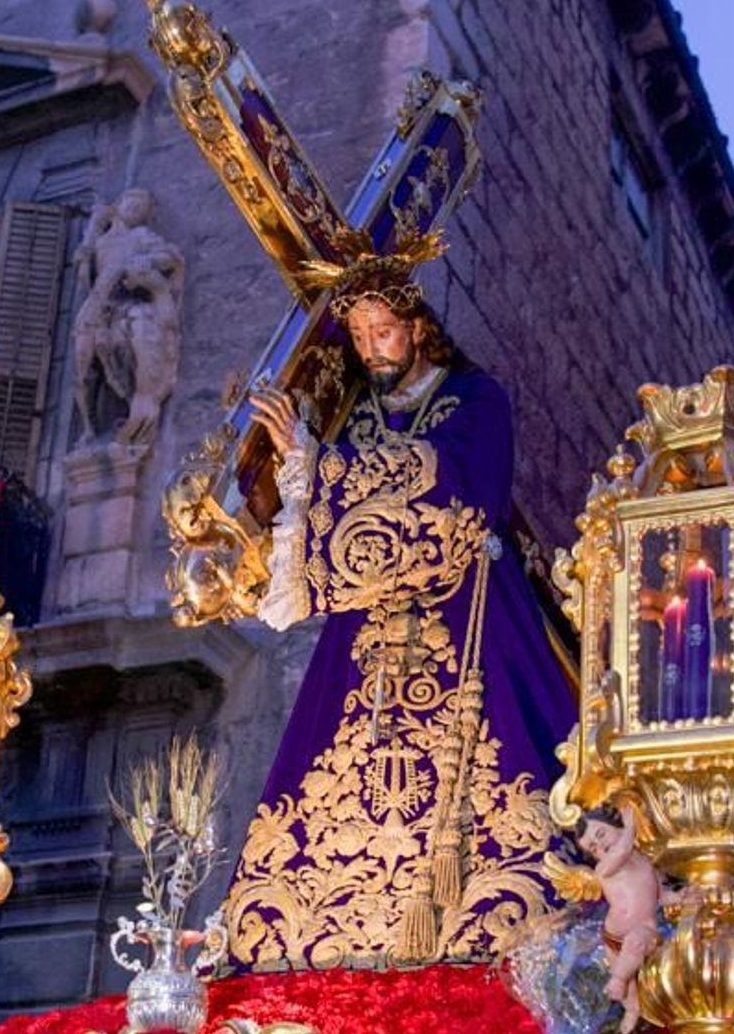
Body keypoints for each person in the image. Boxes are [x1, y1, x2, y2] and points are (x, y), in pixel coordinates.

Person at [230, 258, 574, 970]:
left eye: (383, 331)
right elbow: (304, 509)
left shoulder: (477, 399)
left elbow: (460, 488)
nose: (371, 349)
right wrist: (276, 466)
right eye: (358, 336)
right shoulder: (352, 415)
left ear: (419, 329)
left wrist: (317, 464)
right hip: (367, 640)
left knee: (511, 773)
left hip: (468, 615)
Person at [576, 802, 660, 1034]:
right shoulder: (605, 868)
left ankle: (618, 980)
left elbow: (659, 895)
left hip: (643, 930)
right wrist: (631, 827)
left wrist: (679, 897)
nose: (600, 845)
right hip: (612, 935)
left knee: (636, 943)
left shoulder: (645, 863)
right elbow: (622, 851)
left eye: (601, 834)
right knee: (629, 993)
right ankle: (632, 1011)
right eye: (593, 848)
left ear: (617, 825)